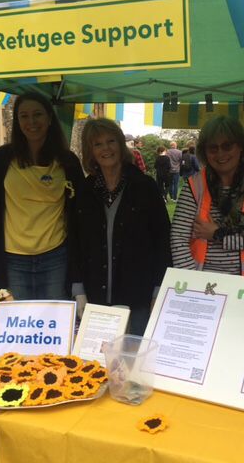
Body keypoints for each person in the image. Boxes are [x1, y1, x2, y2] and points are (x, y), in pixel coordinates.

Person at [0, 93, 85, 300]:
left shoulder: (67, 161)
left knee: (53, 322)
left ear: (50, 118)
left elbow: (79, 219)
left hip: (56, 258)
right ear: (17, 121)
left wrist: (78, 280)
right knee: (18, 324)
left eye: (37, 114)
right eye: (23, 116)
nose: (31, 122)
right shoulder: (2, 158)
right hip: (13, 260)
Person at [72, 118, 171, 334]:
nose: (105, 149)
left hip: (137, 295)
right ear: (90, 151)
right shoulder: (85, 191)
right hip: (95, 294)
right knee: (98, 362)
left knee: (135, 358)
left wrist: (158, 290)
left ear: (120, 144)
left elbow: (162, 241)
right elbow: (76, 241)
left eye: (111, 141)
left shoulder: (144, 187)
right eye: (97, 144)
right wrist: (78, 288)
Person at [171, 116, 244, 277]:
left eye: (227, 146)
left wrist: (218, 234)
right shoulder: (194, 185)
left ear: (241, 147)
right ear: (205, 152)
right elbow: (178, 238)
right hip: (204, 282)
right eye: (213, 148)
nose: (220, 153)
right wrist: (192, 282)